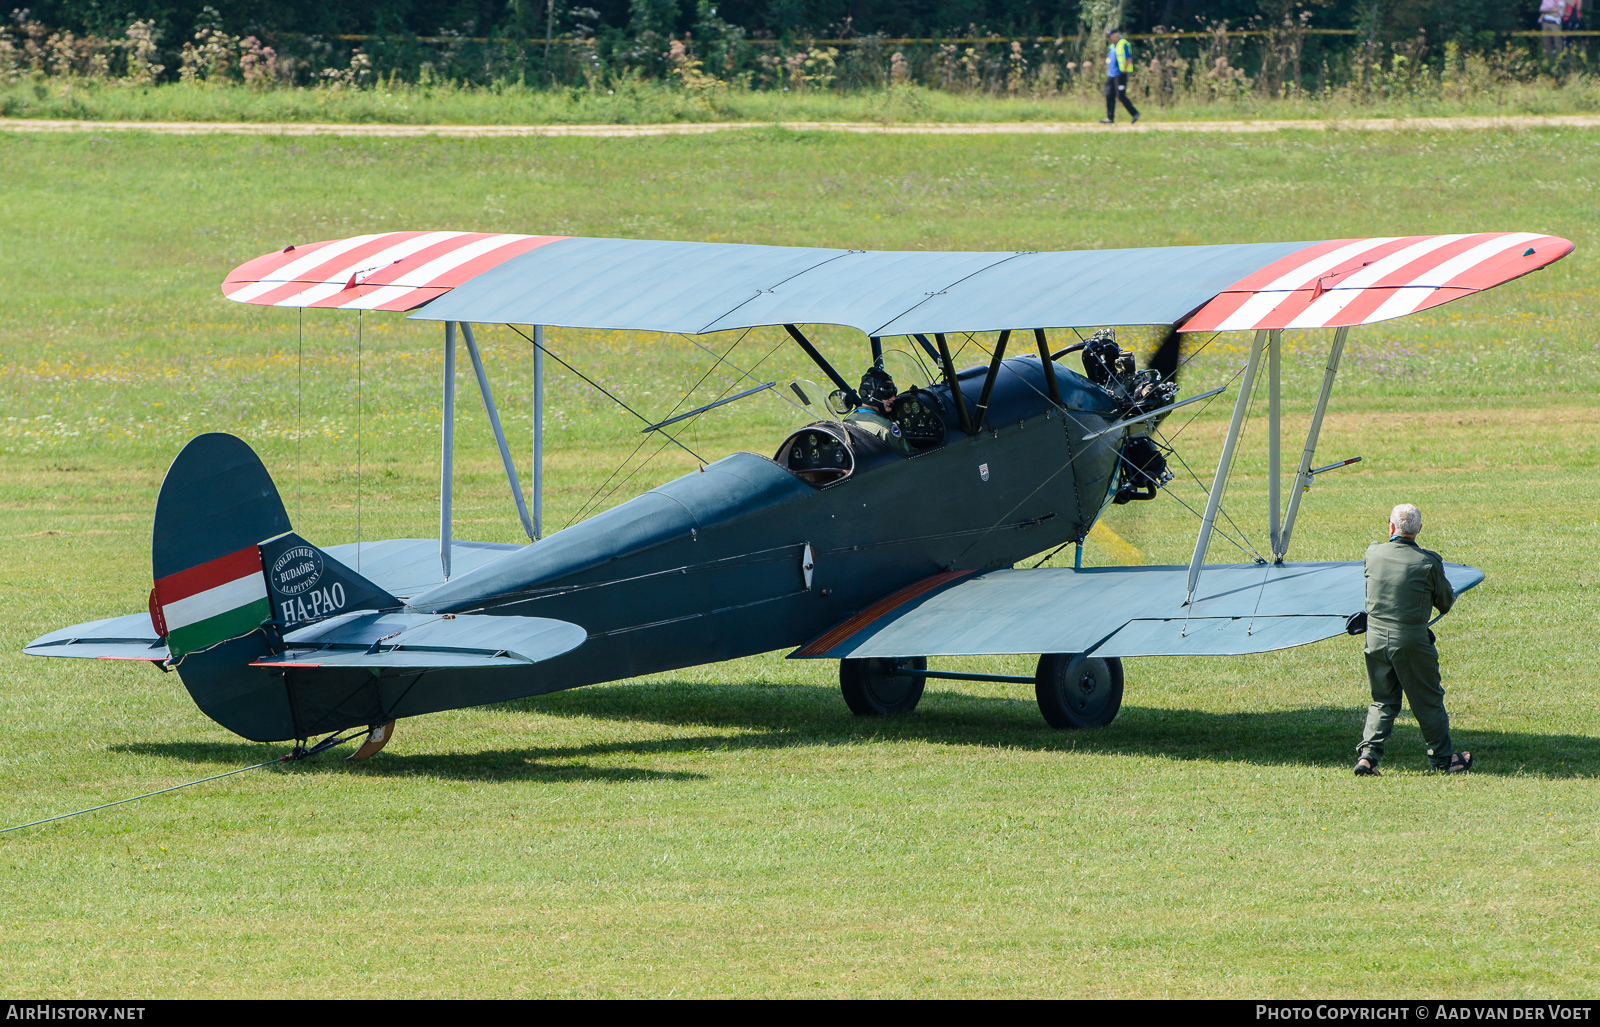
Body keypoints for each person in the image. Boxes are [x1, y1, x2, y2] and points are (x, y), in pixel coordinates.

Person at [1353, 503, 1472, 776]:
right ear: (1419, 529)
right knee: (1427, 700)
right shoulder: (1428, 561)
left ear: (1391, 527)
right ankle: (1443, 759)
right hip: (1410, 641)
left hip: (1375, 638)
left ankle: (1367, 757)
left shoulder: (1373, 553)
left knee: (1382, 700)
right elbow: (1445, 603)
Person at [843, 366, 912, 456]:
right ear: (871, 396)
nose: (893, 398)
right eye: (887, 393)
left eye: (894, 391)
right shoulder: (886, 429)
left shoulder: (847, 421)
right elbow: (910, 456)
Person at [1101, 29, 1141, 125]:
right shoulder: (1112, 46)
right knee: (1109, 95)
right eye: (1108, 37)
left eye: (1110, 36)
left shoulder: (1123, 44)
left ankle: (1135, 113)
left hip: (1120, 74)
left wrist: (1123, 71)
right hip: (1111, 74)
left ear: (1115, 34)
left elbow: (1129, 59)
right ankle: (1110, 118)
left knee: (1120, 95)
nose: (1109, 38)